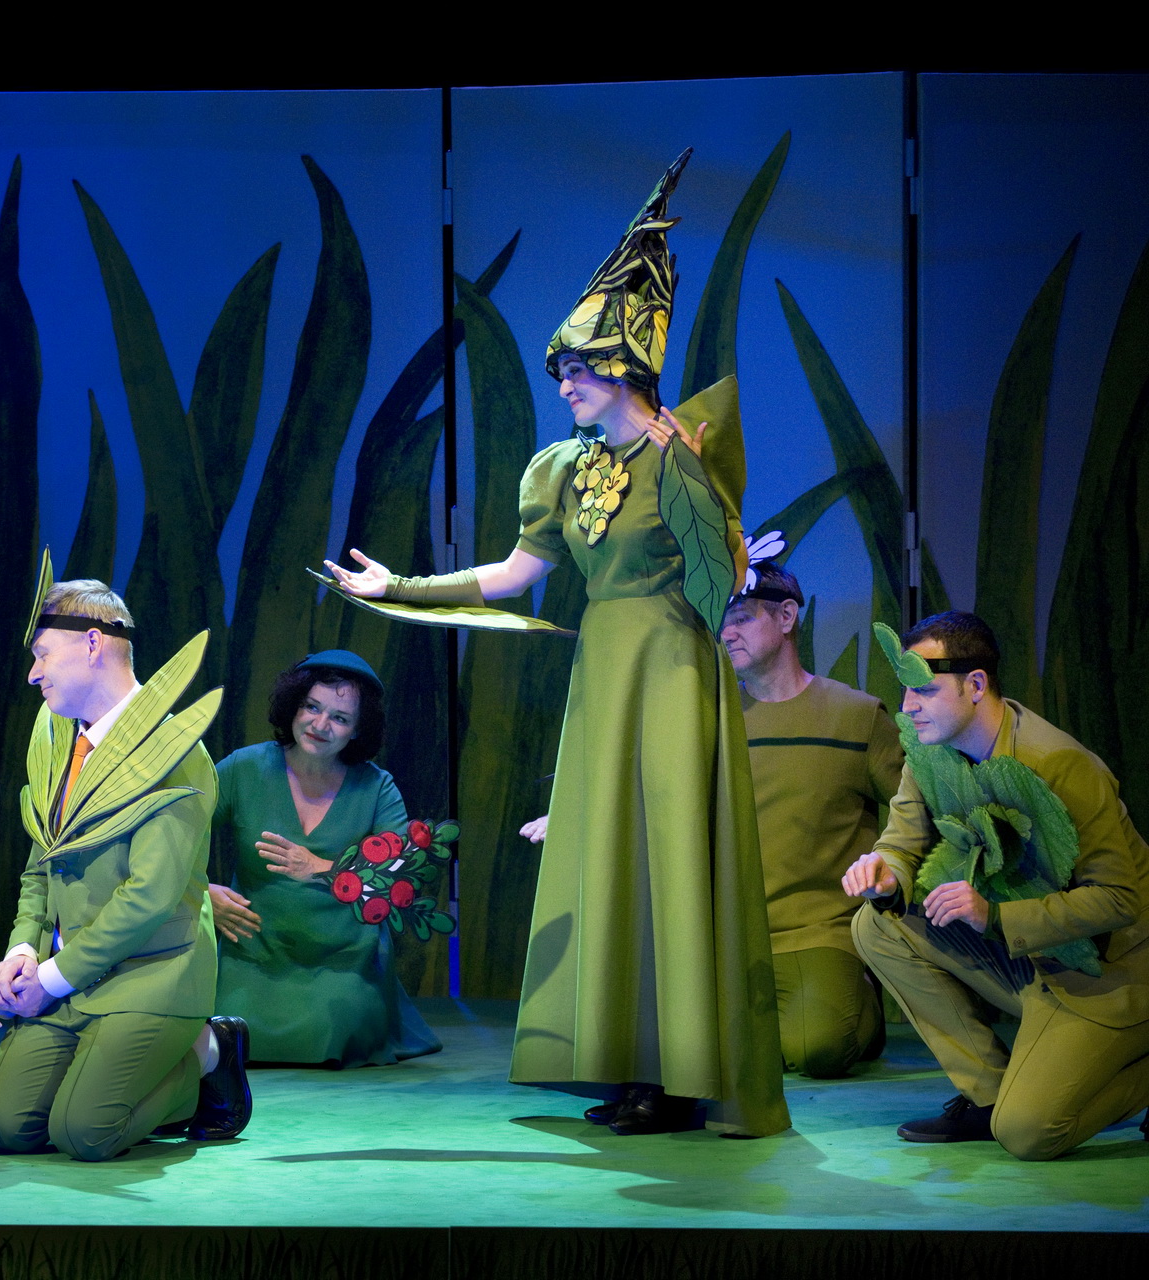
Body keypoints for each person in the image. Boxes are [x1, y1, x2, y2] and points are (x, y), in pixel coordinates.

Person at [326, 150, 789, 1137]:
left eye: (579, 368)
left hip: (672, 669)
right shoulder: (558, 470)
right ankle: (622, 1059)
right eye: (562, 371)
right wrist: (396, 587)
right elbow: (512, 573)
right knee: (609, 857)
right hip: (604, 670)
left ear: (623, 368)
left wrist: (694, 483)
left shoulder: (686, 456)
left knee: (668, 854)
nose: (567, 384)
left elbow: (720, 578)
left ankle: (678, 1071)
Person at [843, 612, 1149, 1159]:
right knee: (877, 924)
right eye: (905, 690)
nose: (908, 706)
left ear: (977, 684)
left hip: (1108, 971)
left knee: (1028, 1133)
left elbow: (1119, 898)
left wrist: (996, 916)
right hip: (1026, 956)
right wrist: (884, 872)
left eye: (924, 689)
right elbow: (901, 843)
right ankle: (988, 1096)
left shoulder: (1059, 763)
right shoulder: (929, 749)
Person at [0, 556, 251, 1161]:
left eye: (42, 654)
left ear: (93, 643)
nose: (33, 674)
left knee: (85, 1132)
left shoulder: (174, 752)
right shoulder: (58, 744)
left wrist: (51, 978)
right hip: (69, 975)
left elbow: (150, 896)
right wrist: (23, 951)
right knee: (9, 1127)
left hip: (151, 972)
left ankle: (209, 1054)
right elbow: (40, 867)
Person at [208, 650, 439, 1067]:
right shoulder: (243, 768)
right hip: (253, 948)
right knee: (233, 1034)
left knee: (328, 1028)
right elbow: (173, 834)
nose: (319, 725)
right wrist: (202, 891)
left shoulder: (377, 786)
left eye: (340, 717)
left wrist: (319, 868)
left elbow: (401, 878)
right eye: (311, 707)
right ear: (293, 706)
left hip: (345, 956)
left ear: (357, 730)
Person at [721, 554, 900, 1077]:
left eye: (741, 618)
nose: (727, 633)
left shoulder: (857, 715)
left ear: (786, 616)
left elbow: (916, 815)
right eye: (721, 621)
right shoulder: (714, 719)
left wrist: (890, 874)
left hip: (820, 931)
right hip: (730, 934)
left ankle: (859, 1003)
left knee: (820, 1049)